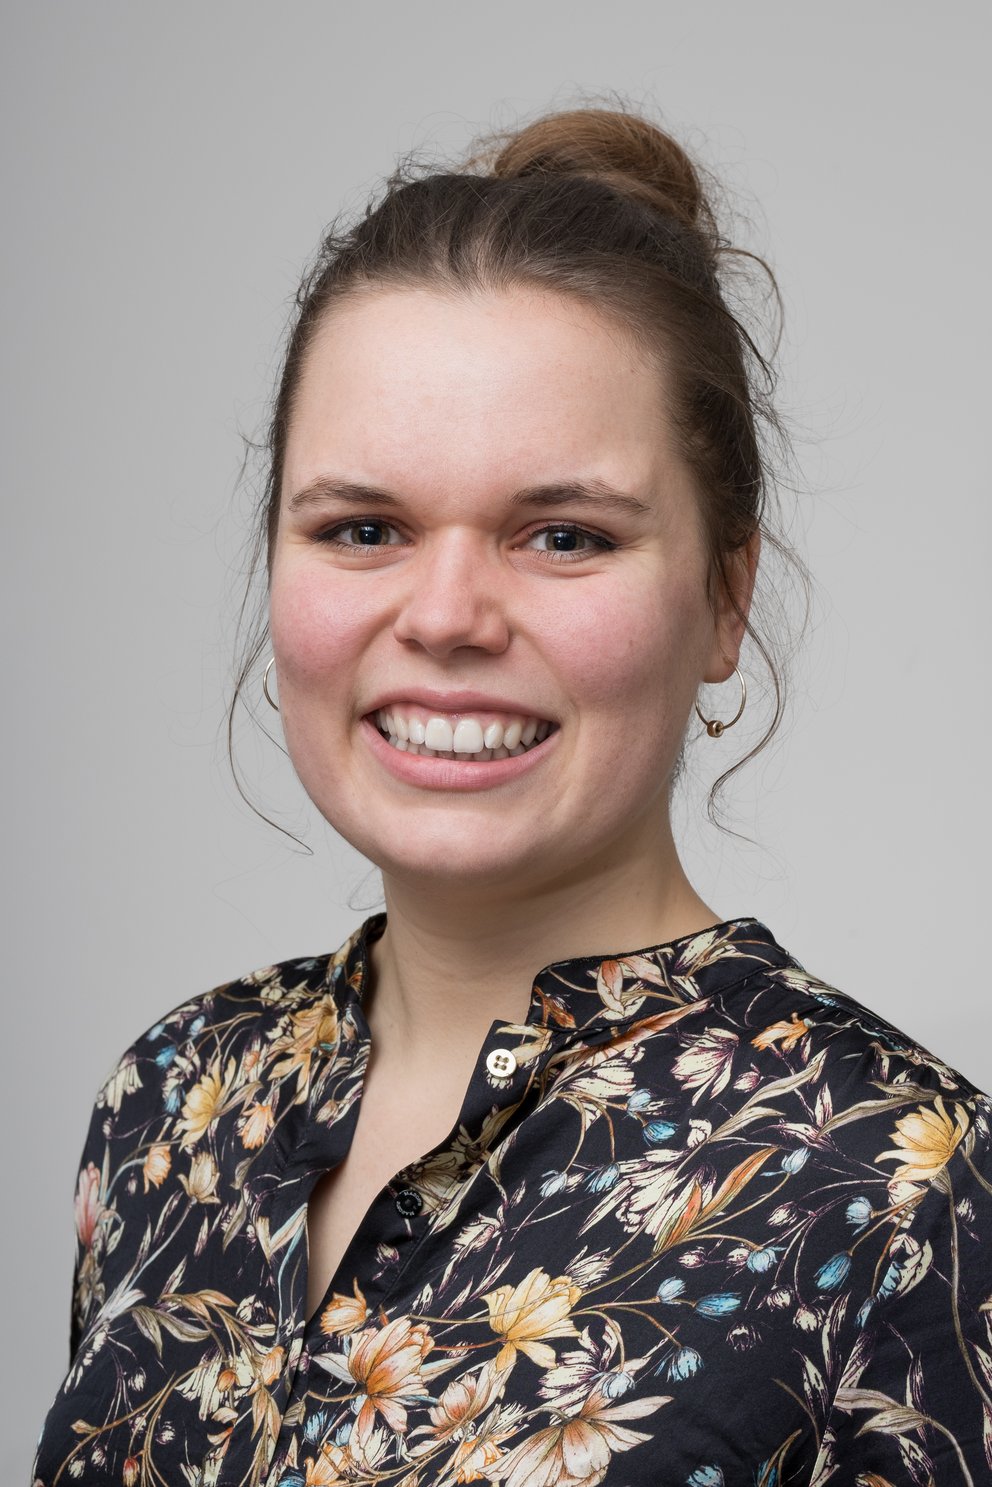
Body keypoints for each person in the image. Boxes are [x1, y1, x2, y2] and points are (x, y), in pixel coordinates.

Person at [32, 103, 991, 1487]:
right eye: (364, 528)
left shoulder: (901, 1190)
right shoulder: (177, 1097)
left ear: (725, 597)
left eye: (562, 536)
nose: (445, 615)